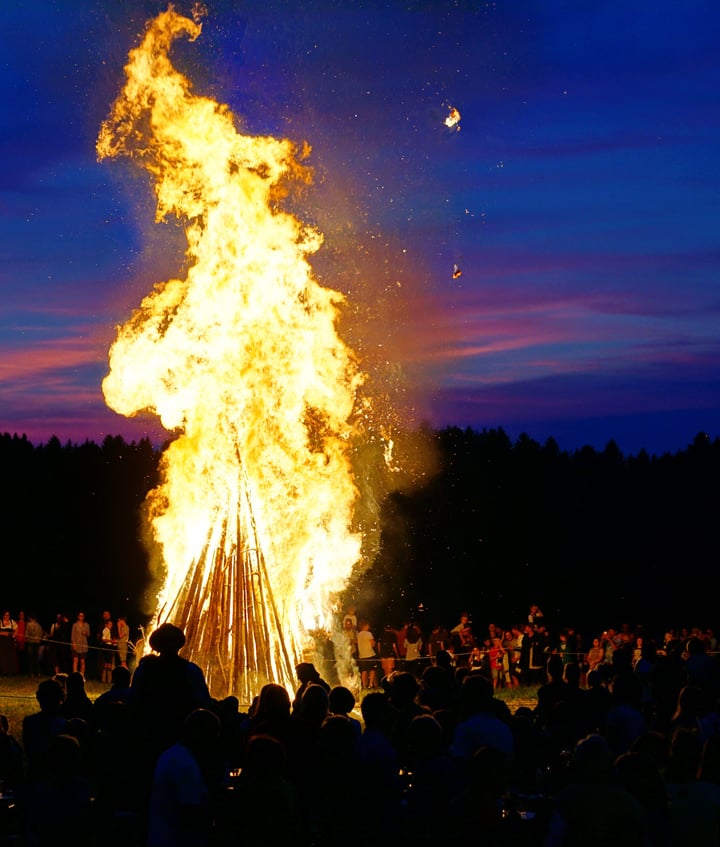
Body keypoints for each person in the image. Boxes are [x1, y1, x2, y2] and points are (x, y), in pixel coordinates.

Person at [356, 620, 379, 689]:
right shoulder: (368, 634)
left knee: (364, 670)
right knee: (372, 669)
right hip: (370, 654)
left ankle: (364, 685)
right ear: (365, 626)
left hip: (362, 655)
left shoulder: (359, 634)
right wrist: (374, 643)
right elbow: (372, 644)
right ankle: (370, 684)